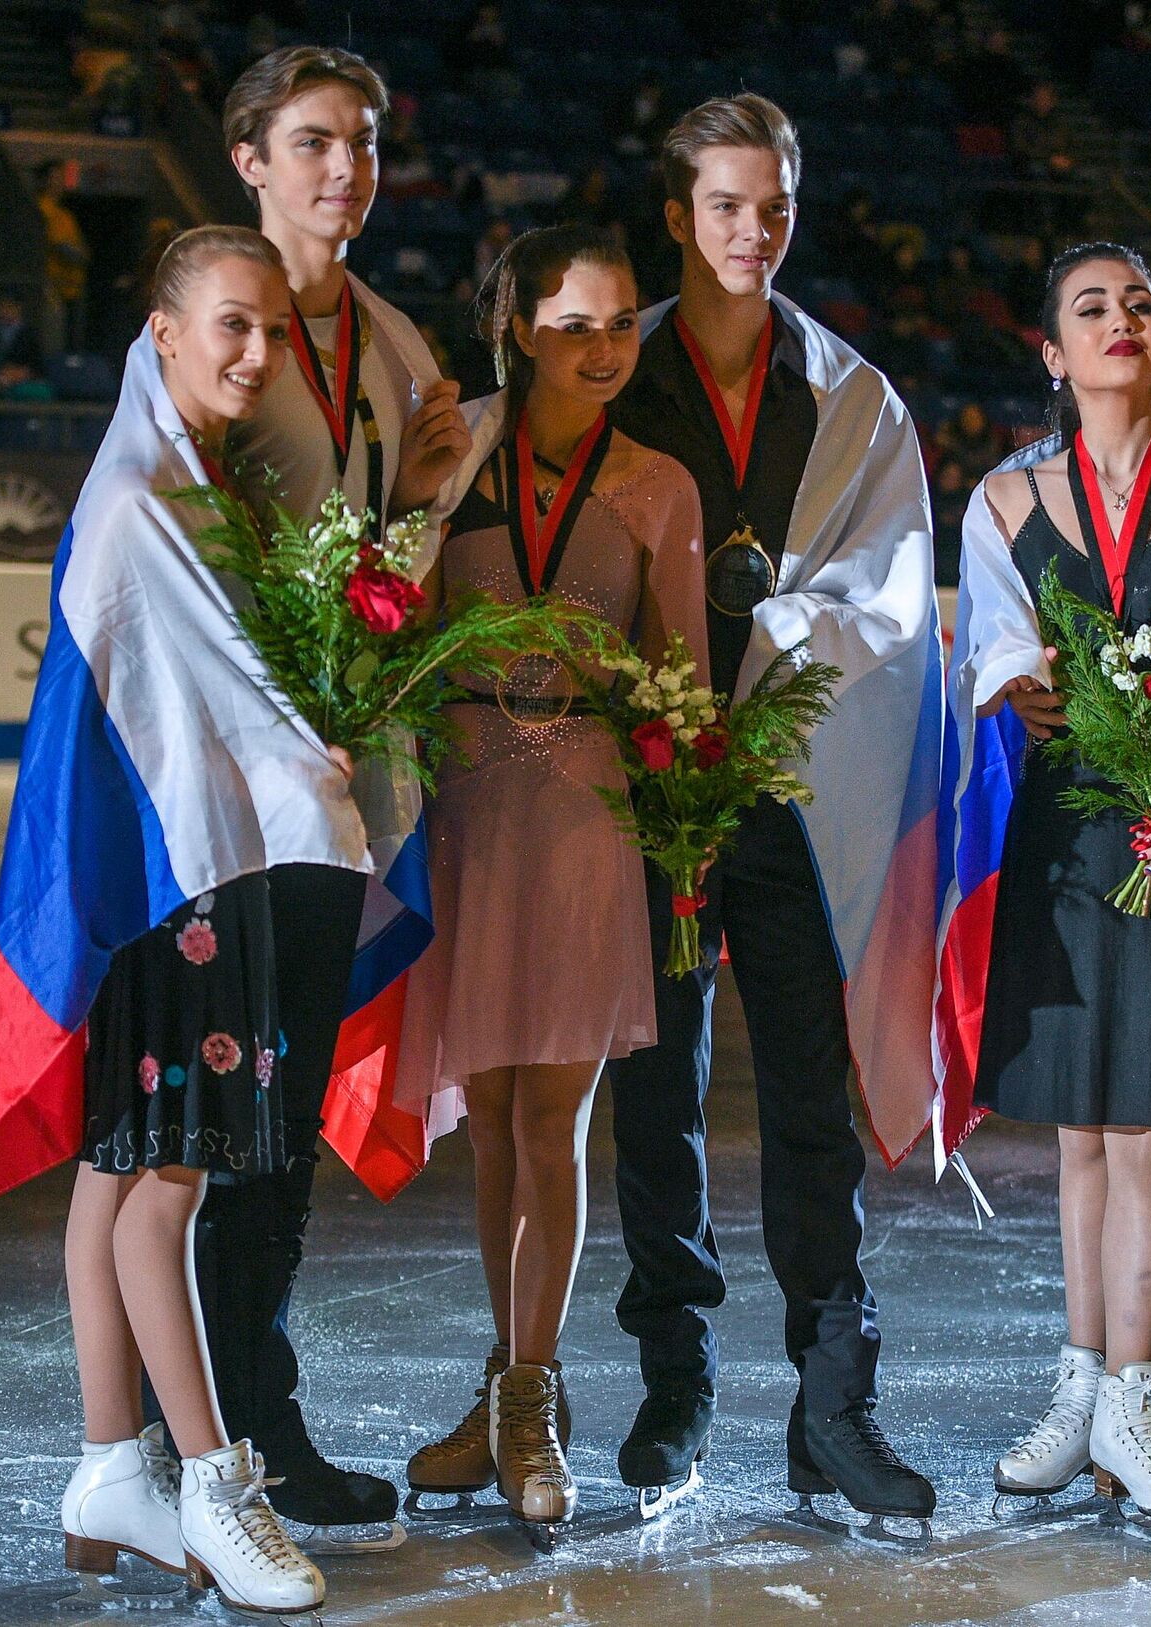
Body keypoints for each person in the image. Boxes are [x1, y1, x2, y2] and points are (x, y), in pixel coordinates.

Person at [0, 225, 363, 1614]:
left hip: (177, 878)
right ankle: (208, 1474)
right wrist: (326, 766)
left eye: (269, 331)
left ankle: (104, 1464)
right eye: (230, 328)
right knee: (165, 1187)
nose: (254, 353)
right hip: (174, 884)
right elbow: (231, 710)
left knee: (116, 1175)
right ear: (164, 333)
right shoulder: (145, 501)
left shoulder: (202, 489)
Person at [605, 92, 944, 1529]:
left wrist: (771, 640)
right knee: (655, 1091)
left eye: (778, 203)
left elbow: (887, 582)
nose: (757, 230)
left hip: (797, 797)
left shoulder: (851, 391)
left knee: (811, 1096)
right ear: (678, 218)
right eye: (730, 205)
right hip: (648, 791)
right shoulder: (610, 374)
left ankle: (830, 1397)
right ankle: (674, 1375)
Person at [180, 43, 471, 1539]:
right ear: (249, 160)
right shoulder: (206, 333)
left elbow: (401, 564)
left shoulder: (405, 343)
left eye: (360, 142)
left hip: (347, 775)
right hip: (229, 786)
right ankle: (207, 1423)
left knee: (278, 1116)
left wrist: (429, 495)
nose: (342, 168)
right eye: (311, 143)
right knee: (221, 1119)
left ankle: (252, 1411)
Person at [396, 226, 707, 1539]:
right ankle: (512, 1379)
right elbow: (381, 610)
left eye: (623, 320)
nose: (603, 345)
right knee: (490, 1115)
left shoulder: (662, 486)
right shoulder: (448, 449)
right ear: (516, 324)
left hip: (587, 803)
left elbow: (679, 678)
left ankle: (526, 1400)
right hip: (463, 797)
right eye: (576, 321)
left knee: (551, 1122)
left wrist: (684, 826)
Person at [955, 243, 1151, 1521]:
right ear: (1053, 353)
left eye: (1139, 304)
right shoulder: (1003, 505)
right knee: (1083, 1133)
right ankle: (1086, 1386)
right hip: (1069, 845)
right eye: (1091, 309)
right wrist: (1014, 685)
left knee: (1148, 1135)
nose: (1120, 322)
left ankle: (1140, 1401)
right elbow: (993, 660)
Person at [37, 162, 91, 354]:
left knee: (74, 341)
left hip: (74, 289)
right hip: (55, 288)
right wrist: (79, 256)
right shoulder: (43, 209)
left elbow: (82, 247)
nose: (60, 182)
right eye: (56, 177)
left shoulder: (66, 215)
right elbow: (61, 245)